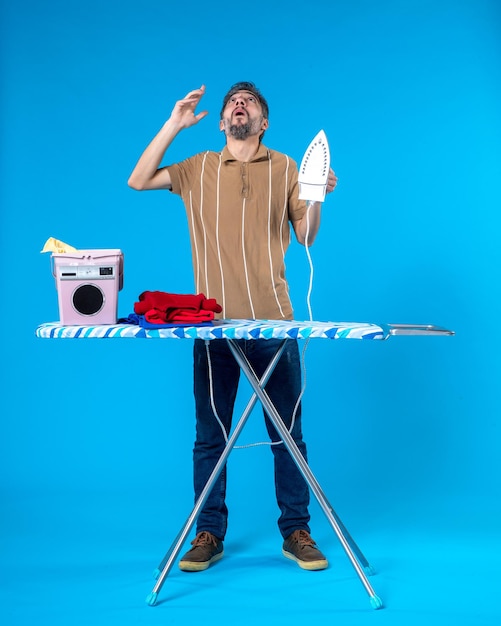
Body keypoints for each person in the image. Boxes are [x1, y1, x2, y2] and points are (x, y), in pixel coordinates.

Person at [128, 82, 338, 573]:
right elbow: (138, 180)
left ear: (263, 122)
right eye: (231, 102)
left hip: (275, 324)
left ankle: (297, 531)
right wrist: (175, 125)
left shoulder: (287, 167)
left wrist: (316, 193)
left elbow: (306, 235)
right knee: (211, 435)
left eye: (251, 101)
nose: (239, 103)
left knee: (287, 434)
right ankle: (208, 532)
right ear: (223, 121)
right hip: (212, 326)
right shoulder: (196, 167)